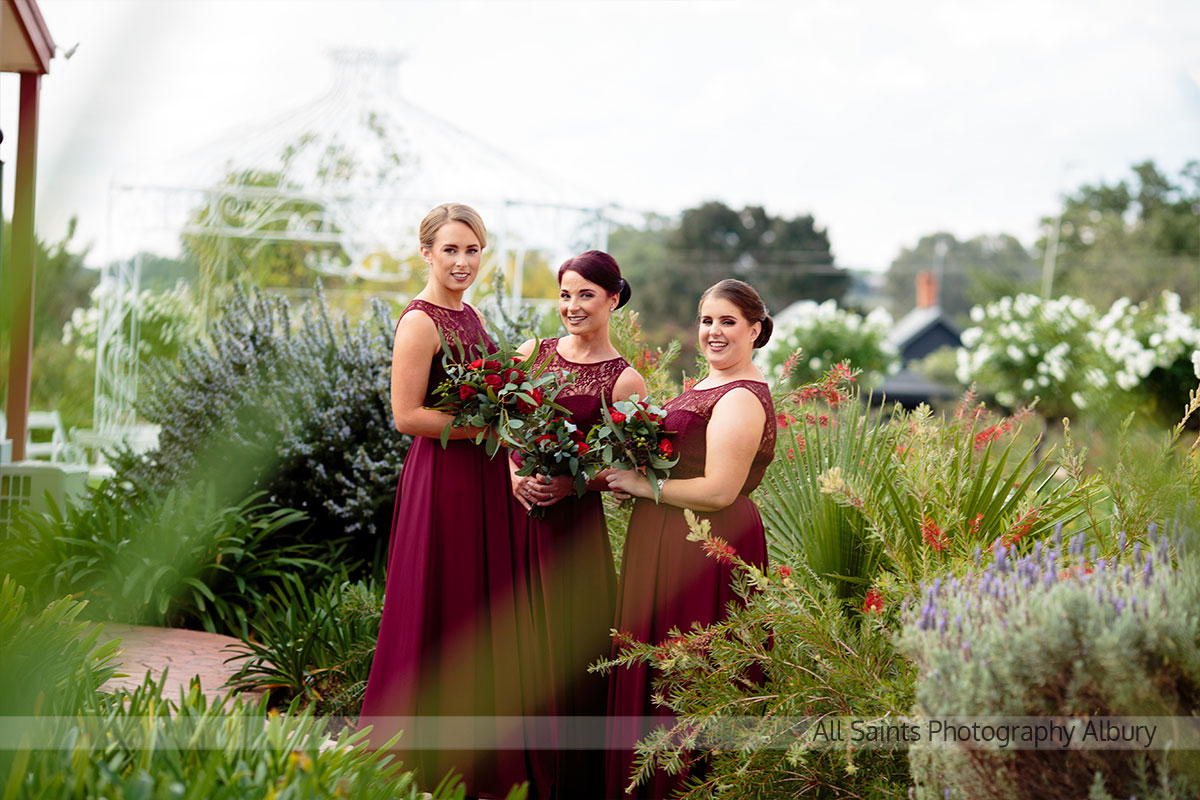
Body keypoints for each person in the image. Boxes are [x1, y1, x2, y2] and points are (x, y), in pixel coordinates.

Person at [359, 203, 540, 798]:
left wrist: (513, 389)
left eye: (472, 250)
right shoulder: (420, 321)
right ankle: (413, 758)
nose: (462, 262)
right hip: (442, 478)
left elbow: (487, 396)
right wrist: (485, 429)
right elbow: (406, 415)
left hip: (483, 478)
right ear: (426, 253)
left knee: (475, 609)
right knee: (438, 601)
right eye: (450, 250)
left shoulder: (471, 314)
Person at [603, 279, 777, 799]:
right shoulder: (705, 386)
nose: (715, 332)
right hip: (664, 539)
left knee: (686, 669)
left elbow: (720, 490)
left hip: (705, 547)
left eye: (728, 321)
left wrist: (641, 483)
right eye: (707, 320)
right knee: (656, 658)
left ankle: (679, 787)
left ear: (756, 329)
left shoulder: (742, 397)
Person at [509, 250, 647, 800]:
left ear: (613, 299)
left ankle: (569, 783)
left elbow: (629, 468)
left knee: (569, 656)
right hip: (518, 521)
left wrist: (574, 484)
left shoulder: (626, 380)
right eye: (565, 294)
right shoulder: (531, 353)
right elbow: (502, 431)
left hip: (575, 536)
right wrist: (515, 477)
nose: (572, 306)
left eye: (586, 294)